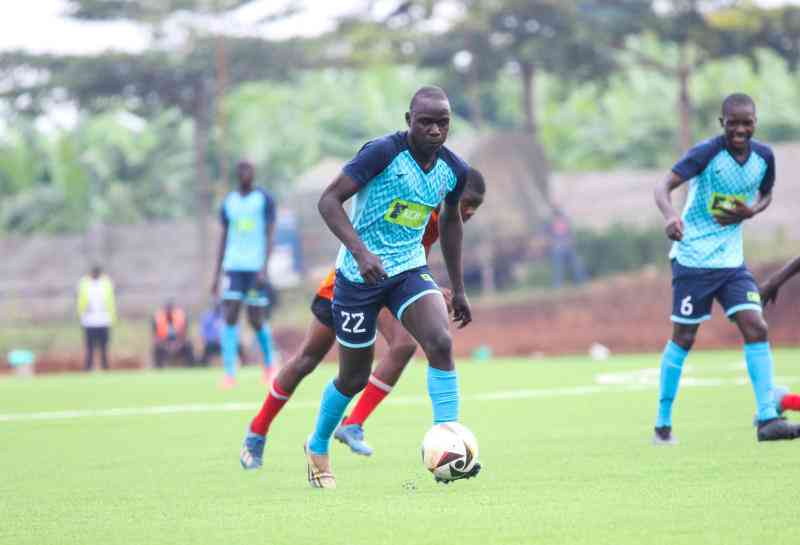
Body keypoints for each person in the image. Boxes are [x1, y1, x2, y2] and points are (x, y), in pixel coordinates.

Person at [239, 167, 485, 471]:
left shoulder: (438, 219)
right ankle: (258, 429)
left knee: (405, 344)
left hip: (388, 287)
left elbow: (409, 260)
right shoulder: (415, 200)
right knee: (308, 358)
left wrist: (431, 288)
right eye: (468, 203)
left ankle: (354, 423)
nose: (470, 211)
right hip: (350, 283)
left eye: (476, 206)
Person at [304, 85, 475, 488]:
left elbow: (451, 221)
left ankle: (449, 444)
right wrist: (361, 253)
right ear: (409, 121)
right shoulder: (382, 153)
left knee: (440, 341)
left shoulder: (454, 169)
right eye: (426, 122)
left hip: (408, 269)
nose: (435, 130)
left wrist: (459, 288)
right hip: (357, 276)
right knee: (353, 378)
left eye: (443, 123)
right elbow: (329, 201)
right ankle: (317, 444)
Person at [652, 92, 800, 444]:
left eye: (747, 123)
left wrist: (753, 211)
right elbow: (663, 186)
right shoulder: (706, 153)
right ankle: (662, 424)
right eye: (733, 123)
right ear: (723, 123)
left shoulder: (764, 157)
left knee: (756, 326)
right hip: (692, 258)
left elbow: (766, 194)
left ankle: (768, 419)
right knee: (684, 338)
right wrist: (671, 216)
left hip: (731, 263)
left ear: (755, 123)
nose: (740, 130)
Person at [211, 160, 278, 388]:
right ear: (236, 174)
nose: (245, 173)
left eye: (248, 169)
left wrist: (265, 268)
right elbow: (223, 238)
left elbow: (270, 234)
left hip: (255, 268)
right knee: (229, 315)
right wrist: (216, 276)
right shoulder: (229, 202)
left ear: (254, 173)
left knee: (256, 319)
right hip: (233, 267)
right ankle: (229, 372)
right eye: (241, 170)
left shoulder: (264, 199)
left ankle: (270, 366)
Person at [76, 265, 116, 371]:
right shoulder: (84, 283)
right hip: (88, 321)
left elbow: (111, 301)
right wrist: (80, 315)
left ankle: (105, 367)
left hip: (104, 320)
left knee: (104, 347)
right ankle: (88, 367)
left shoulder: (106, 283)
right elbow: (80, 301)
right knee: (89, 347)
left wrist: (112, 318)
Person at [545, 206, 586, 288]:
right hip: (557, 248)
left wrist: (570, 241)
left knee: (576, 263)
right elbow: (547, 237)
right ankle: (557, 284)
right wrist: (553, 243)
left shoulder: (565, 222)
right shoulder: (550, 224)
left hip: (567, 247)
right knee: (558, 266)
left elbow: (572, 235)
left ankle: (581, 282)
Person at [152, 299, 195, 368]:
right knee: (156, 348)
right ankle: (158, 368)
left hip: (179, 343)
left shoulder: (181, 317)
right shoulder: (158, 318)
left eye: (170, 309)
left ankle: (191, 367)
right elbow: (156, 337)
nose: (169, 311)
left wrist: (178, 344)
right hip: (164, 343)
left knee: (189, 345)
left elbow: (185, 334)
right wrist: (166, 345)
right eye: (167, 309)